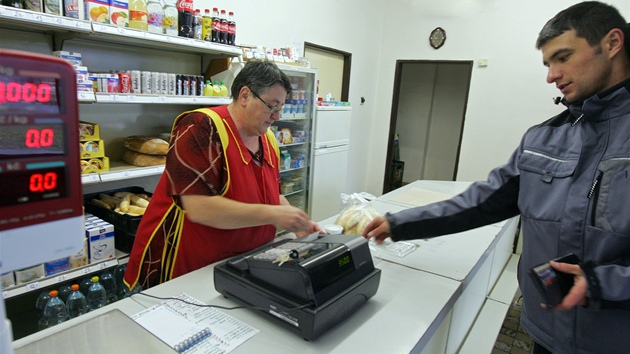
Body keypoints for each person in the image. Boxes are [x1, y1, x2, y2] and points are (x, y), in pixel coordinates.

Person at [363, 2, 630, 353]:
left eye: (563, 57)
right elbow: (482, 202)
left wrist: (602, 283)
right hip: (547, 331)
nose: (552, 75)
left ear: (612, 43)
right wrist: (399, 223)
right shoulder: (543, 139)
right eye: (548, 63)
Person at [124, 60, 320, 290]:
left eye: (281, 108)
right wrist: (274, 215)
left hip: (242, 263)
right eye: (272, 106)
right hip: (189, 265)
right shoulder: (200, 128)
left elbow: (270, 195)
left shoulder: (268, 140)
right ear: (245, 96)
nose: (277, 116)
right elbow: (199, 207)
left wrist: (298, 222)